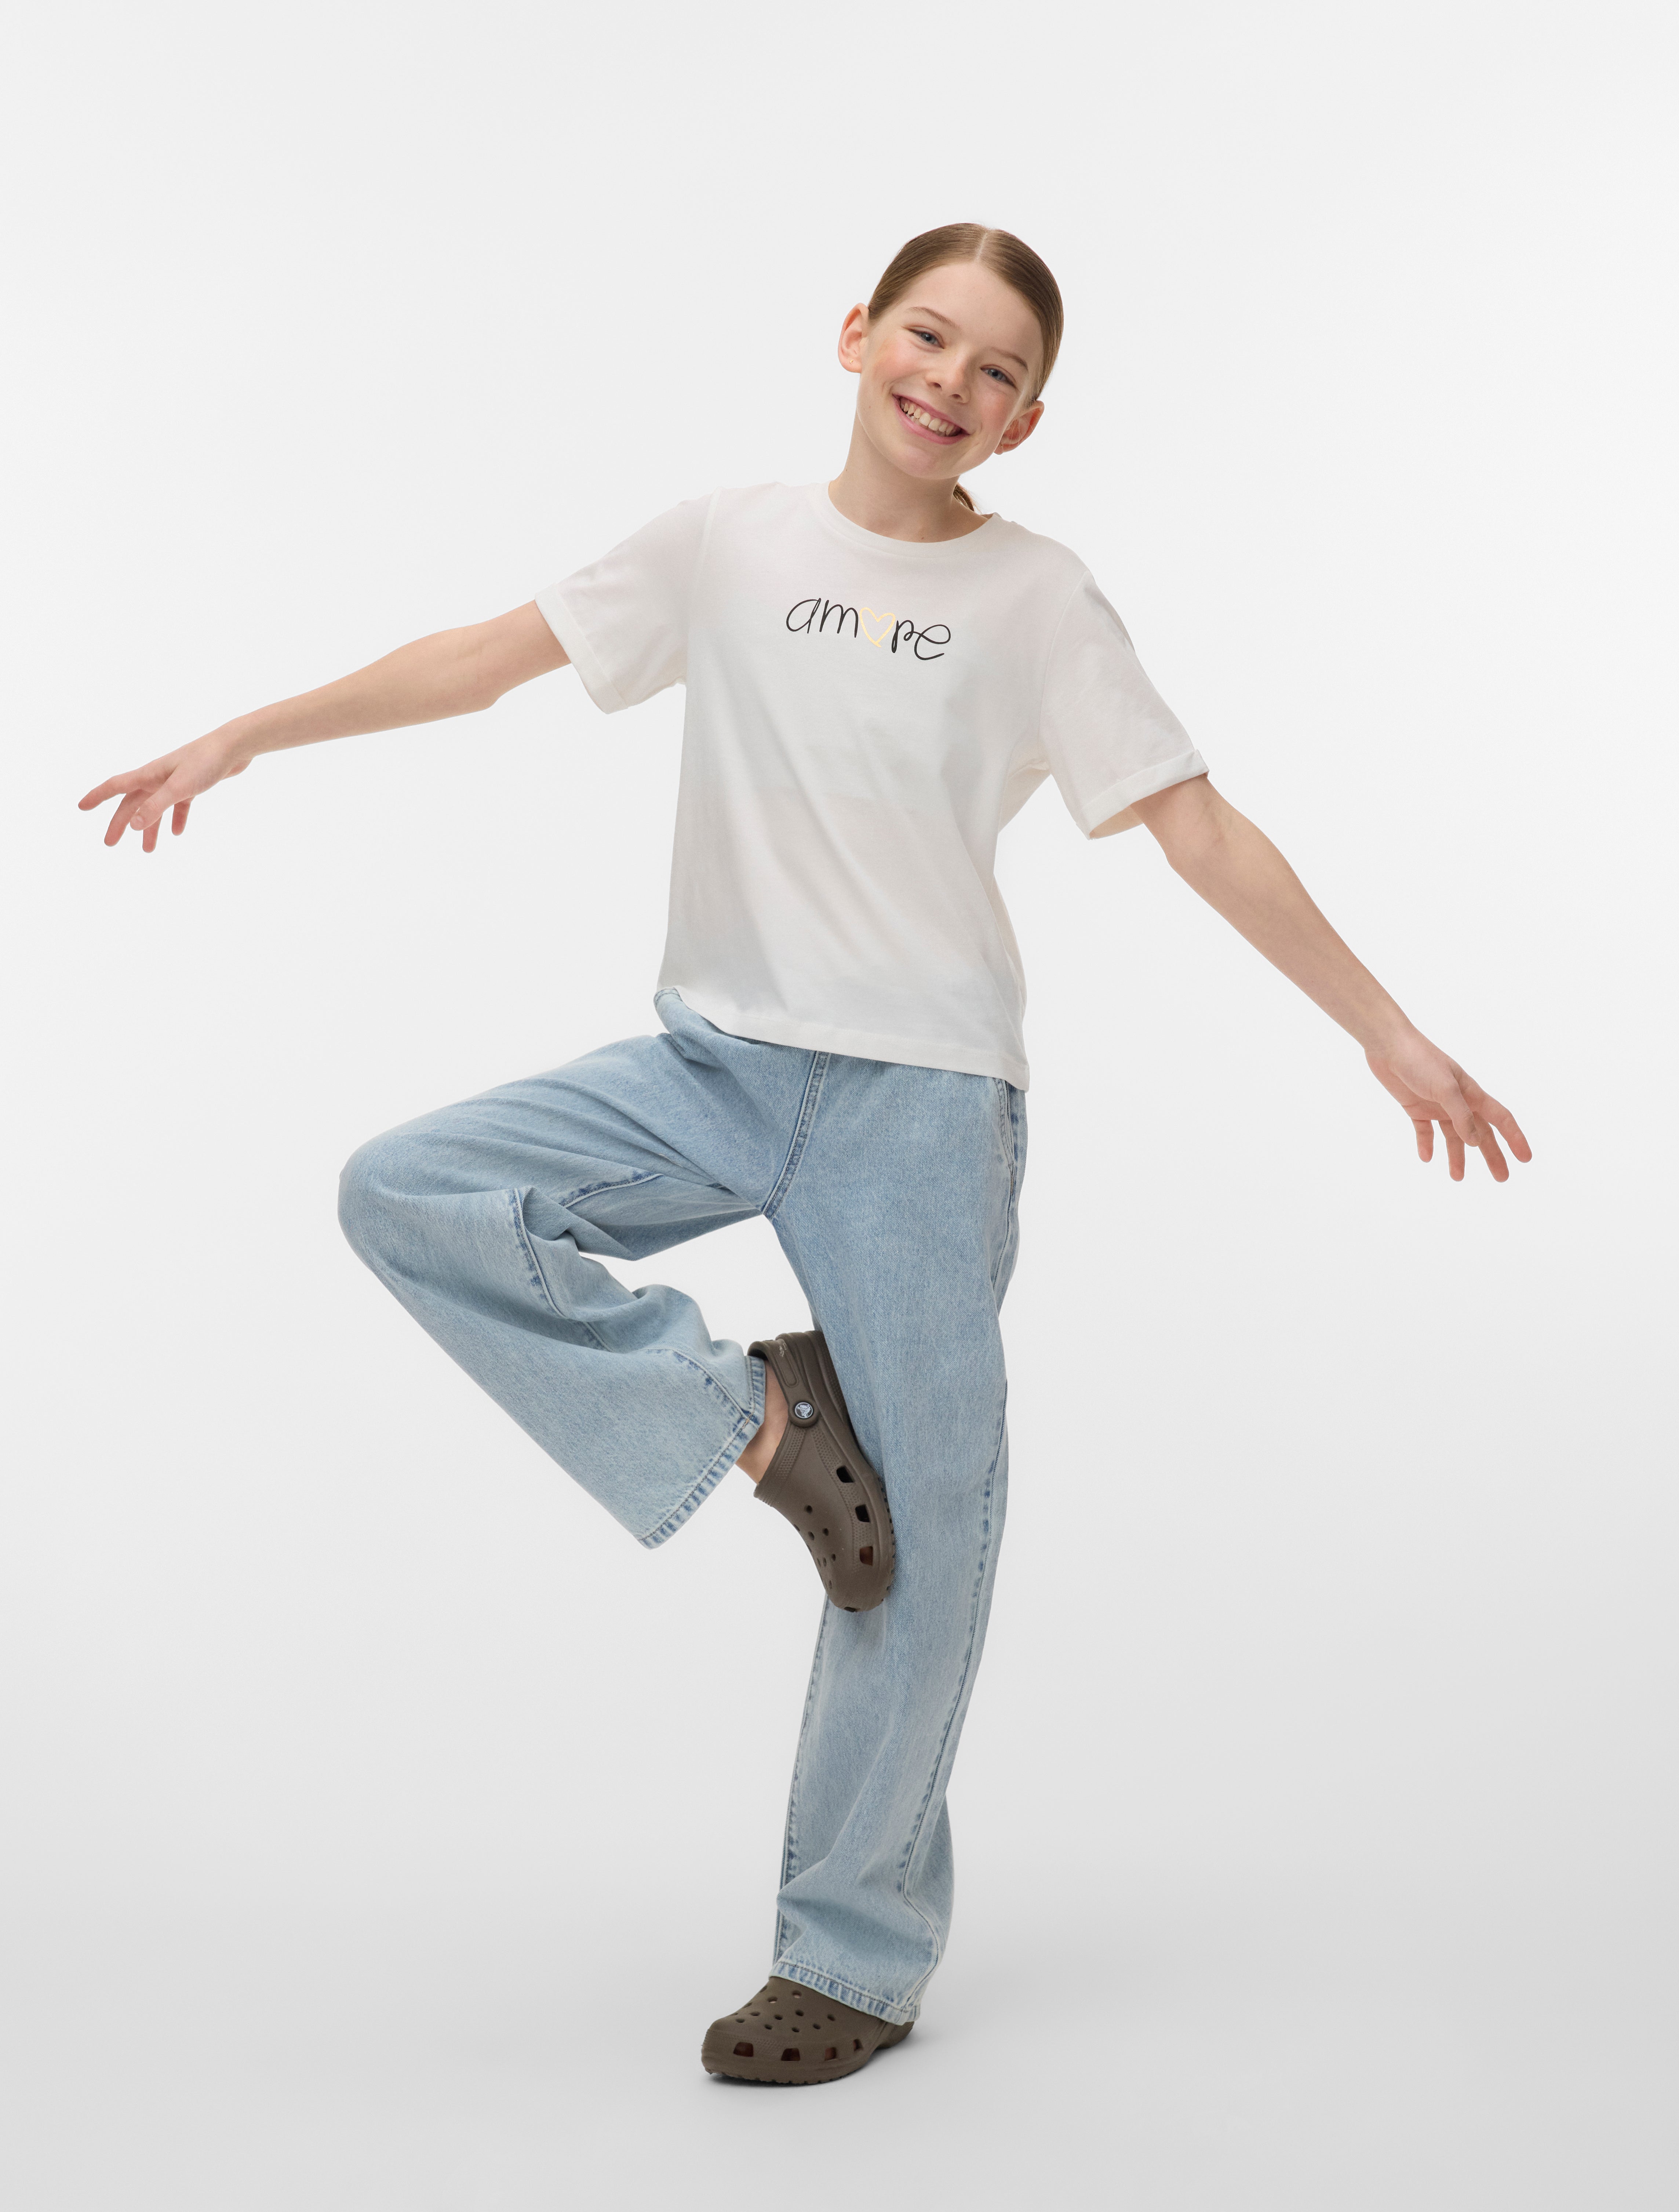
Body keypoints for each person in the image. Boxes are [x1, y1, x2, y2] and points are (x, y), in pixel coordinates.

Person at [78, 222, 1530, 2087]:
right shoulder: (727, 541)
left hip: (923, 1107)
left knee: (922, 1538)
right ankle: (760, 1420)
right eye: (927, 334)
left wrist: (1383, 1029)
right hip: (715, 1061)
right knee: (411, 1186)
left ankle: (846, 1956)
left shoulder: (1039, 598)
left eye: (997, 370)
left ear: (1024, 420)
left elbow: (1197, 827)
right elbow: (486, 659)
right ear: (856, 335)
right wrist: (248, 734)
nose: (950, 381)